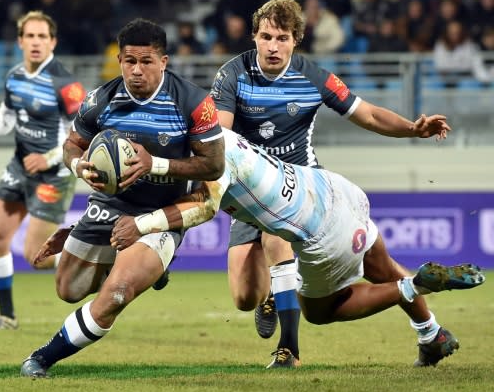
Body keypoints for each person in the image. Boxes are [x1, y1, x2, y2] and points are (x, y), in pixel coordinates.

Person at [210, 0, 451, 367]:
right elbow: (220, 136)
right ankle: (277, 291)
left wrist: (411, 129)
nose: (272, 46)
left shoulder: (313, 77)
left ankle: (289, 349)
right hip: (248, 187)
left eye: (282, 38)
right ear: (254, 37)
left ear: (296, 40)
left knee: (304, 244)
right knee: (244, 297)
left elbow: (367, 114)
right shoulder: (232, 74)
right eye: (265, 37)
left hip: (305, 187)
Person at [110, 128, 485, 367]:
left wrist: (142, 226)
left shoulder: (214, 161)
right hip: (336, 189)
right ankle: (431, 335)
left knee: (322, 310)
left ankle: (414, 285)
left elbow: (205, 207)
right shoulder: (217, 135)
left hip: (320, 232)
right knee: (382, 267)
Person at [19, 18, 225, 377]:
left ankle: (41, 357)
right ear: (119, 60)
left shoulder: (193, 101)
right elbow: (72, 145)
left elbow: (214, 165)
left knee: (117, 292)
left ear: (164, 61)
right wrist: (78, 166)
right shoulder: (100, 100)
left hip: (162, 211)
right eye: (130, 61)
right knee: (68, 289)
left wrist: (154, 165)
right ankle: (143, 265)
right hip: (110, 206)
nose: (137, 70)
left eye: (147, 61)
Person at [0, 10, 87, 332]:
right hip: (20, 167)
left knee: (36, 257)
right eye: (30, 36)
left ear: (52, 42)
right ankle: (6, 317)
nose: (36, 42)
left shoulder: (66, 84)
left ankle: (95, 257)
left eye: (42, 37)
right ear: (20, 41)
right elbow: (8, 113)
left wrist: (49, 158)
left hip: (53, 174)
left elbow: (79, 133)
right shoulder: (15, 76)